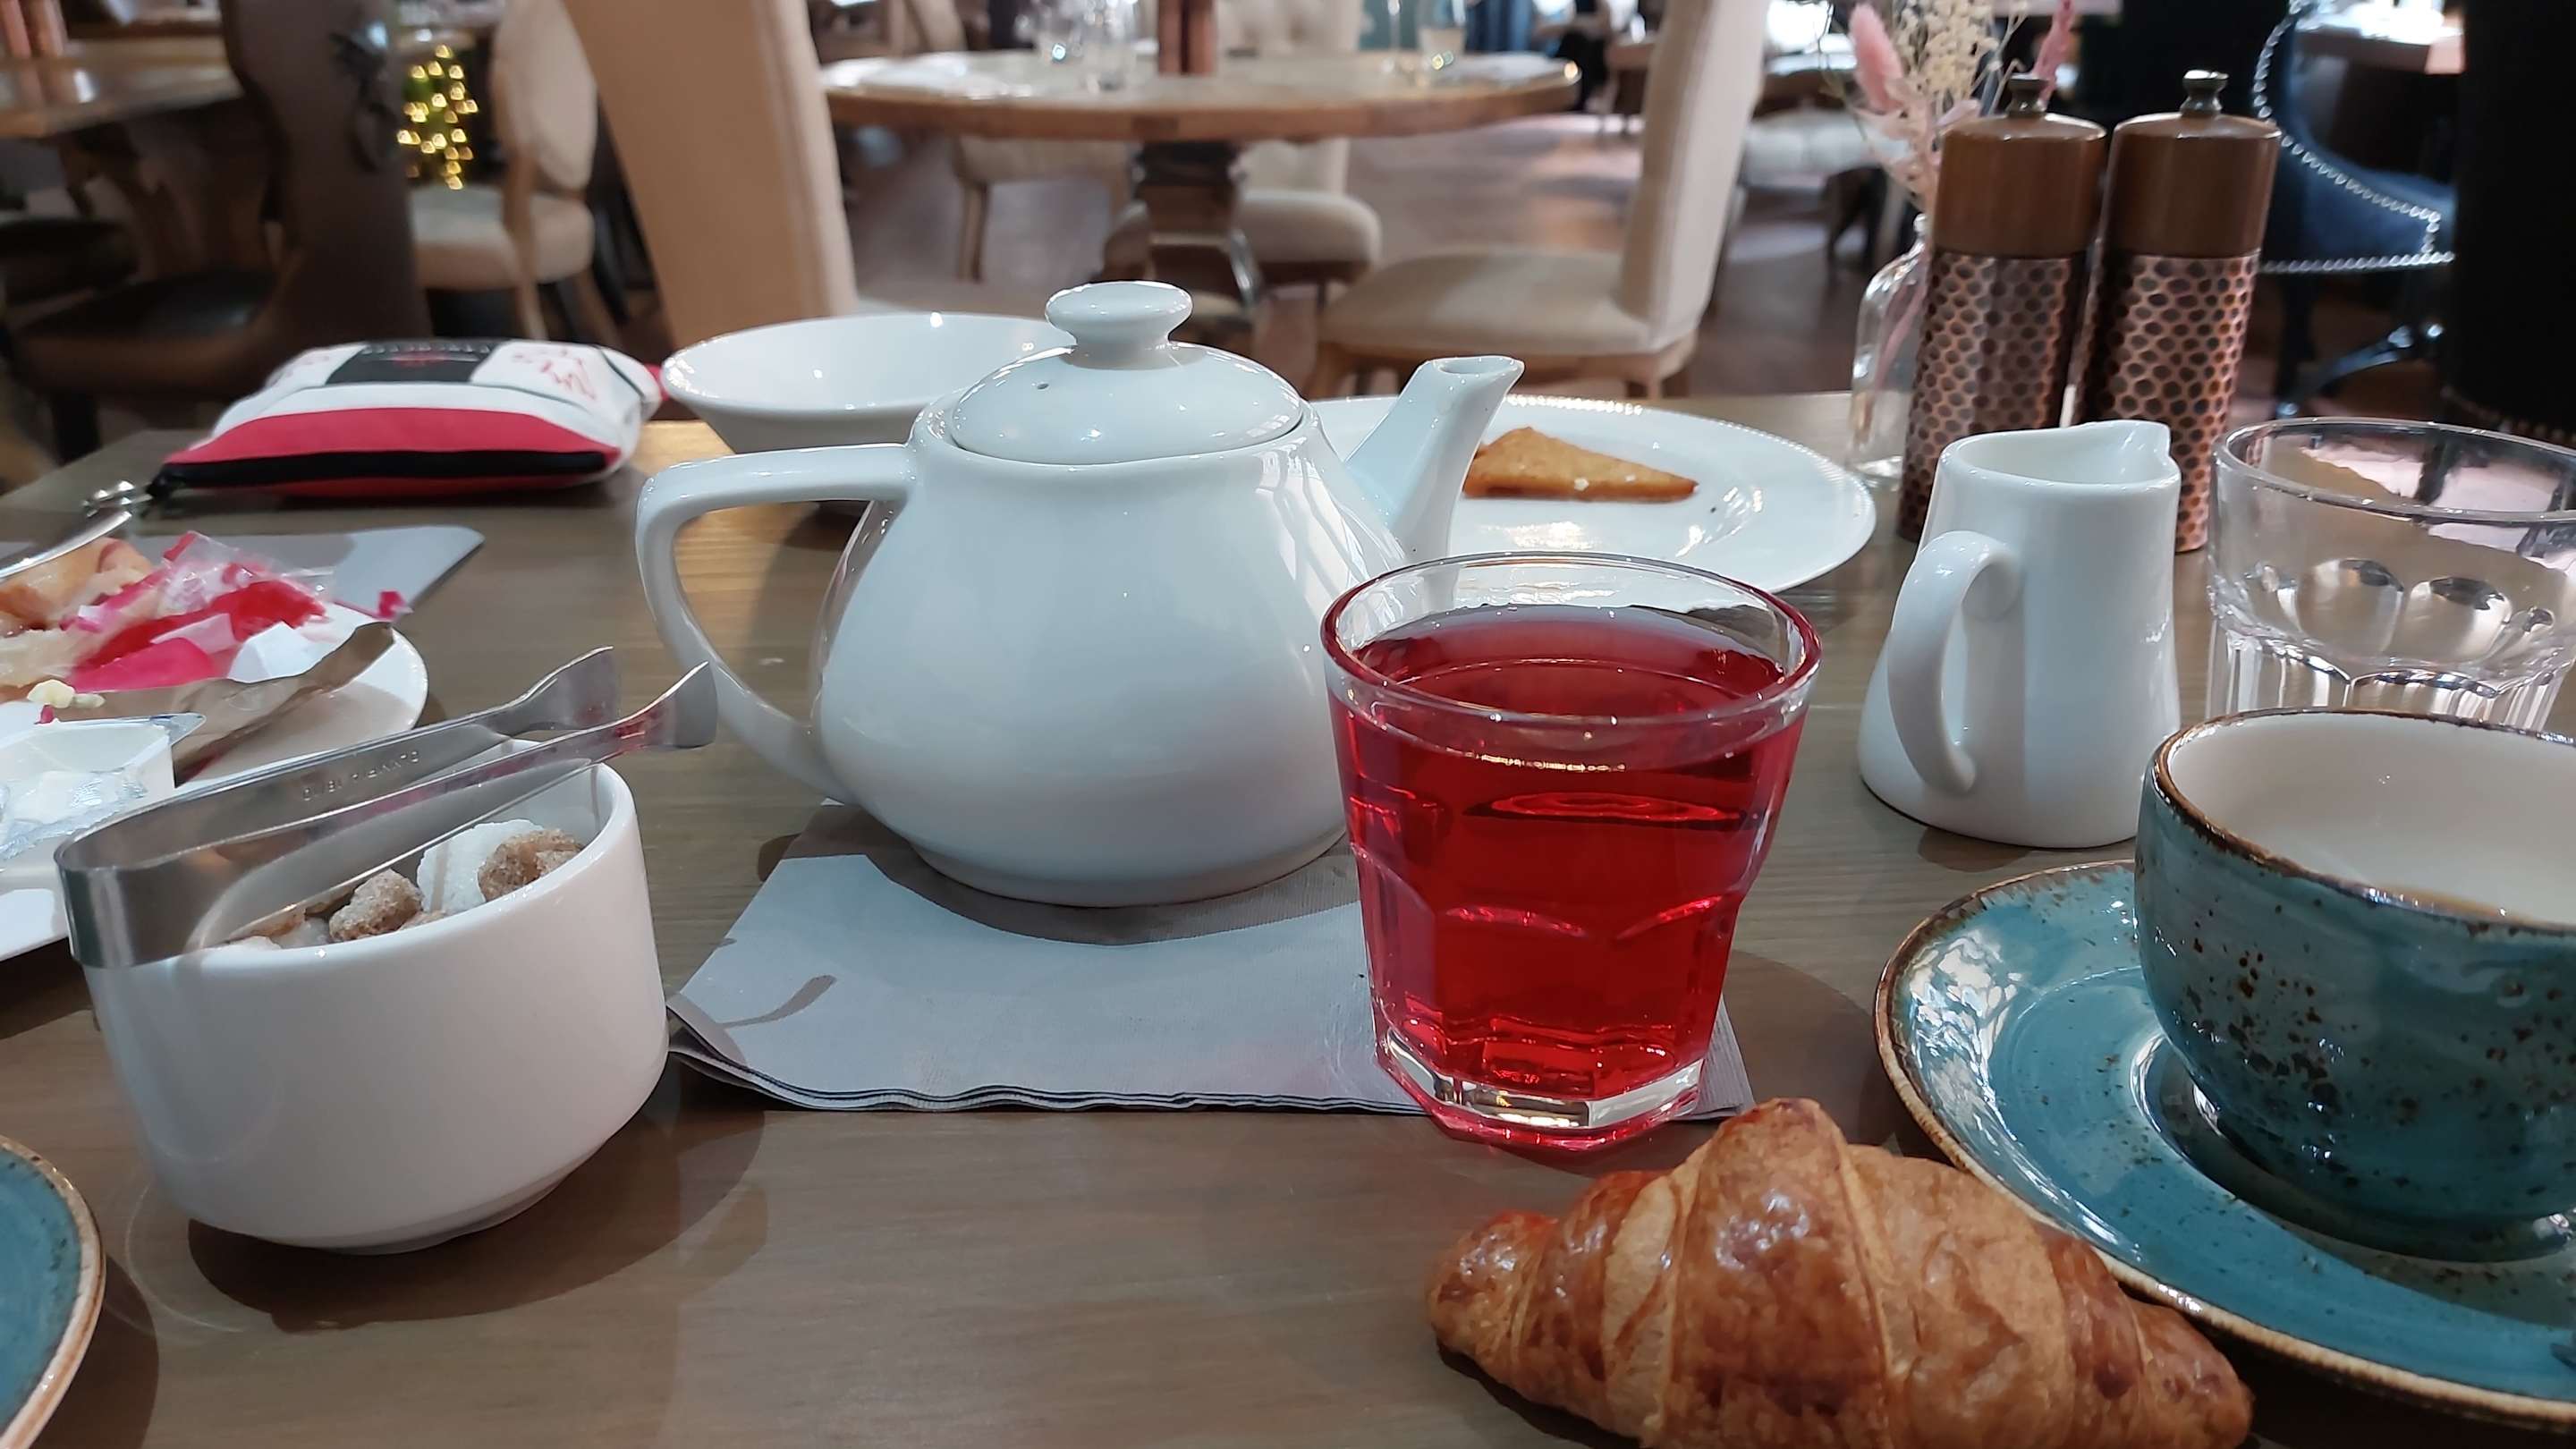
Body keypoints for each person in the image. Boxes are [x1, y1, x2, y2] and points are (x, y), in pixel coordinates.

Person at [1552, 0, 1611, 110]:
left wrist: (1573, 24)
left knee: (1577, 43)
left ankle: (1576, 97)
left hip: (1593, 46)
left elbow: (1605, 24)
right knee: (1570, 41)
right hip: (1578, 45)